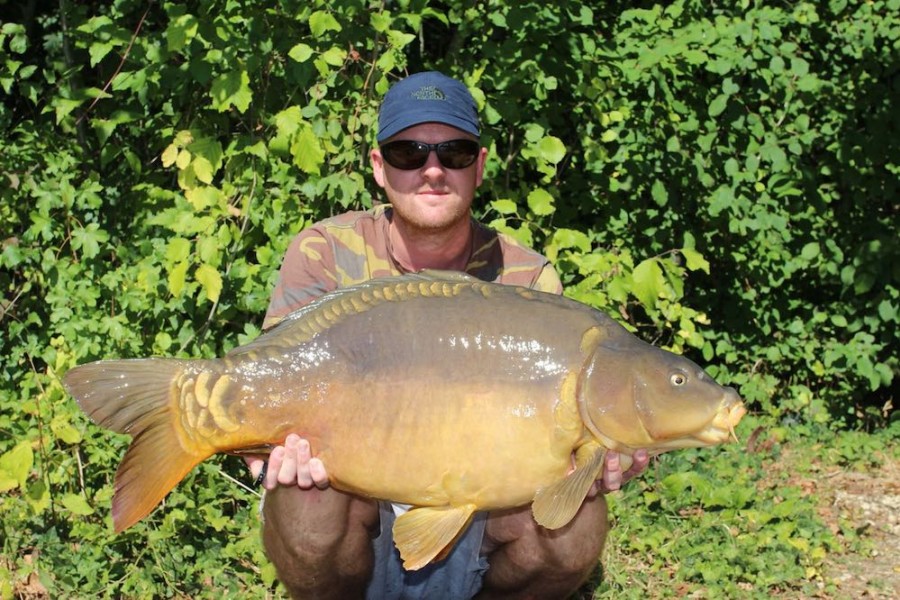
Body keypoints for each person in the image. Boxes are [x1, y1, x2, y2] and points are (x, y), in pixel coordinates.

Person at [246, 71, 649, 599]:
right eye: (409, 153)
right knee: (304, 499)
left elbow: (578, 438)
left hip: (487, 511)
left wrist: (606, 457)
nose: (432, 170)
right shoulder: (327, 253)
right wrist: (262, 440)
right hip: (352, 493)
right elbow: (270, 378)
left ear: (479, 166)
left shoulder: (527, 279)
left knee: (575, 527)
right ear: (378, 166)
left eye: (454, 153)